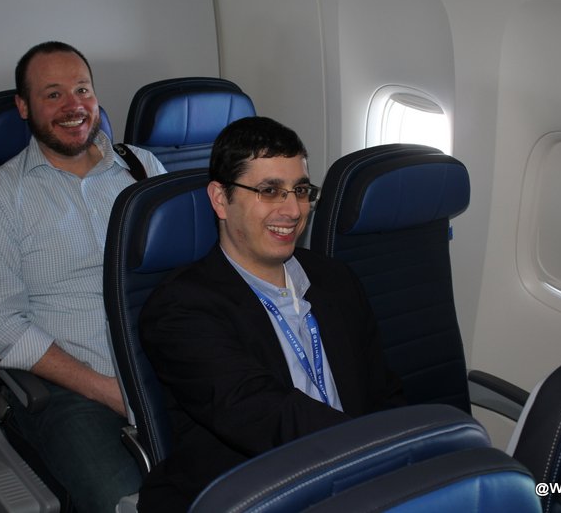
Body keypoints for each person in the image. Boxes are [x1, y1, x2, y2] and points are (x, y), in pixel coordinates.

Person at [137, 116, 405, 511]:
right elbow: (262, 413)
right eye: (270, 191)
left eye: (301, 190)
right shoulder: (180, 308)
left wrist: (409, 455)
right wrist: (375, 449)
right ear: (220, 199)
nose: (293, 210)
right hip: (253, 493)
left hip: (354, 480)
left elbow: (383, 392)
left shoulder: (335, 280)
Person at [0, 41, 167, 512]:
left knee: (243, 468)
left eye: (82, 90)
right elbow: (2, 325)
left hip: (161, 362)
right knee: (126, 503)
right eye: (53, 94)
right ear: (23, 107)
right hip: (72, 388)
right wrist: (111, 391)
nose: (74, 106)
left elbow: (184, 271)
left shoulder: (142, 169)